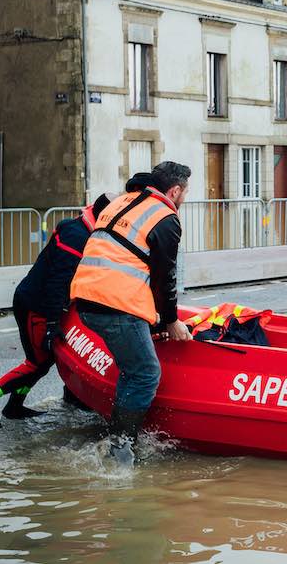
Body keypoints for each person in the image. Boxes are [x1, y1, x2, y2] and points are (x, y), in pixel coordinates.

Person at [69, 161, 192, 463]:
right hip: (115, 304)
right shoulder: (165, 217)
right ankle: (121, 449)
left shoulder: (124, 201)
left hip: (84, 298)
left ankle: (116, 437)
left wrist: (156, 320)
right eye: (185, 192)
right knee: (147, 373)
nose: (185, 198)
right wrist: (173, 321)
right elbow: (165, 277)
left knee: (132, 368)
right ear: (175, 191)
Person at [0, 194, 112, 430]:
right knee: (35, 363)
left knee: (43, 361)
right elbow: (57, 282)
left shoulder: (82, 227)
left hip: (37, 301)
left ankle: (14, 406)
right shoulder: (77, 236)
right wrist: (52, 323)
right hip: (36, 306)